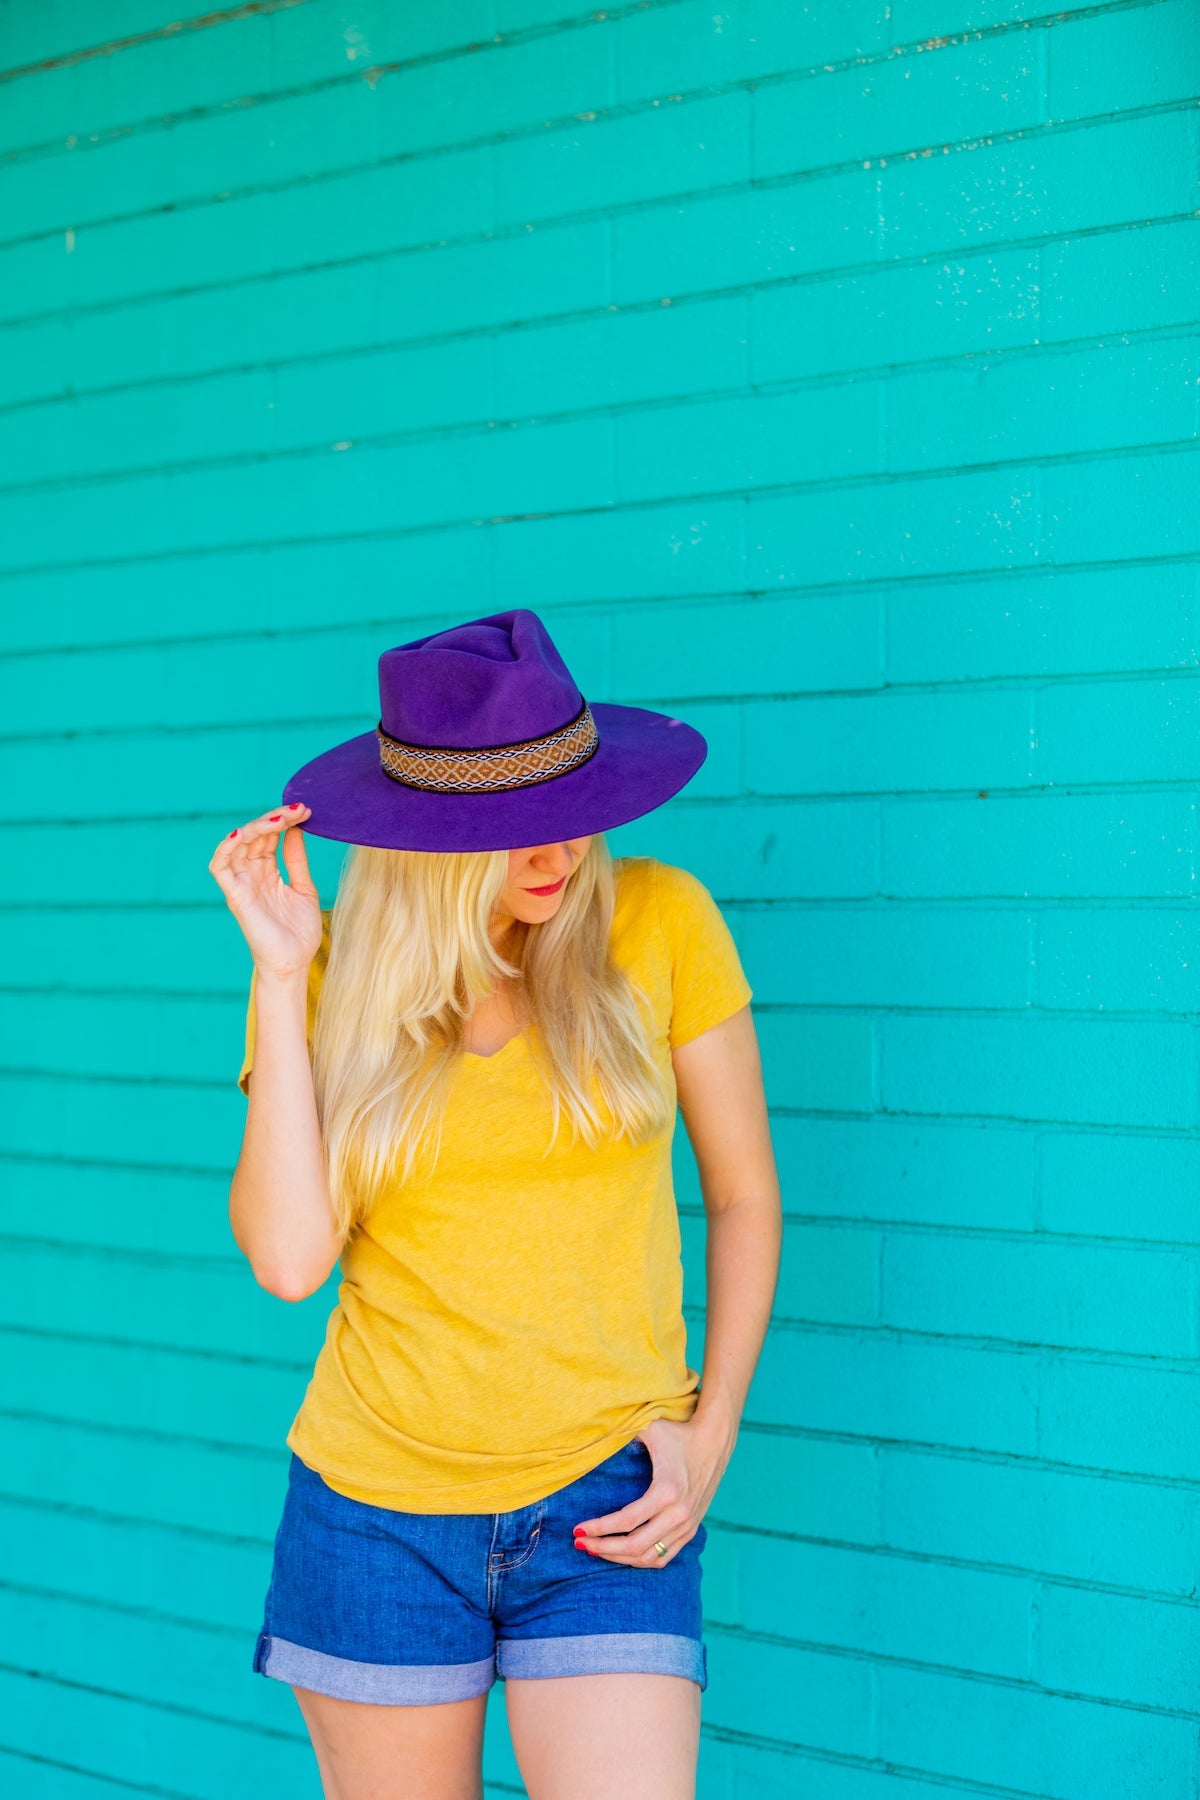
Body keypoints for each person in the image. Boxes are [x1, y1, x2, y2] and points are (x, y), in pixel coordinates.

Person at [207, 609, 781, 1800]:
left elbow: (742, 1194)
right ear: (423, 833)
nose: (555, 852)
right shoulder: (325, 976)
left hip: (606, 1502)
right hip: (376, 1517)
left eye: (566, 809)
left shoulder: (661, 922)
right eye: (507, 828)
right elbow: (290, 1261)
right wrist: (276, 977)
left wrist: (711, 1429)